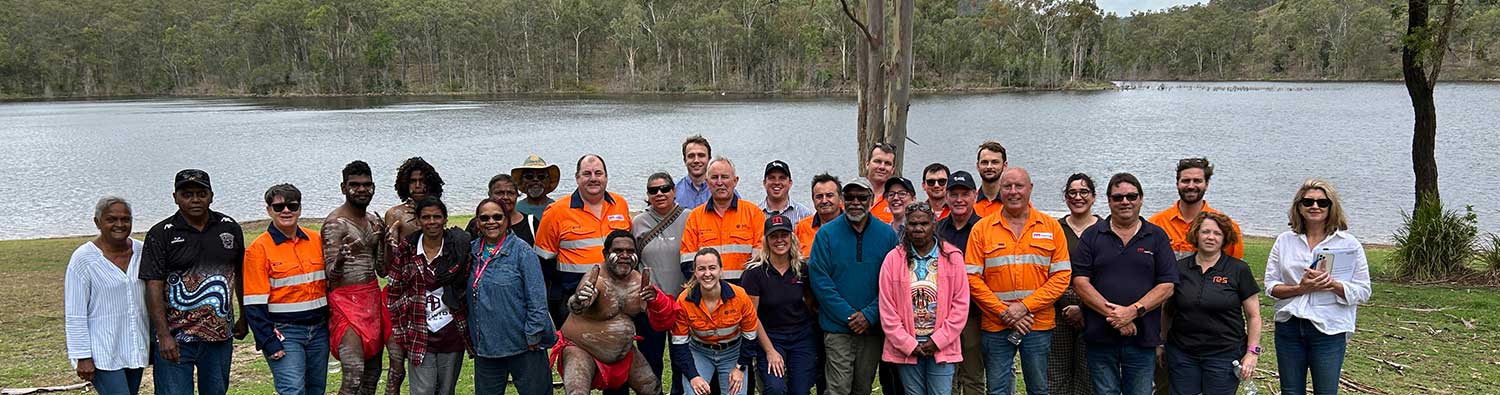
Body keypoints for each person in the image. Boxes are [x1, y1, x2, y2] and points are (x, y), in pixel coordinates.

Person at [965, 168, 1072, 395]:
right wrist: (1004, 312)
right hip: (996, 324)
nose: (1013, 192)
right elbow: (972, 278)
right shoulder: (982, 229)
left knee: (1039, 388)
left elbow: (1061, 277)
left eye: (1019, 186)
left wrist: (1023, 307)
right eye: (1007, 186)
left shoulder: (1051, 227)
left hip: (1037, 324)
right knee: (997, 389)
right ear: (999, 190)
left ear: (1030, 188)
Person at [140, 169, 245, 395]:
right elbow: (153, 286)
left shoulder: (229, 227)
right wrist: (163, 335)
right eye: (187, 194)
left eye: (201, 193)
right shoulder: (160, 234)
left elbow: (241, 274)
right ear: (175, 197)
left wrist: (244, 317)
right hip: (176, 339)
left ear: (211, 195)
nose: (195, 199)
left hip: (219, 336)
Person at [1072, 173, 1178, 395]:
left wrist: (1133, 311)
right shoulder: (1092, 236)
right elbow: (1080, 283)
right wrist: (1116, 317)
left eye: (1131, 196)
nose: (1125, 202)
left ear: (1141, 199)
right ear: (1109, 201)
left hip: (1142, 337)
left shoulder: (1156, 236)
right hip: (1100, 336)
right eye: (1118, 197)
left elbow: (1167, 285)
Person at [1265, 179, 1371, 395]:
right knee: (1291, 391)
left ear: (1332, 207)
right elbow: (1270, 286)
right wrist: (1300, 288)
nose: (1315, 207)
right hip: (1289, 326)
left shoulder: (1348, 244)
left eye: (1323, 203)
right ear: (1299, 206)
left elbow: (1363, 291)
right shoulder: (1284, 241)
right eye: (1308, 202)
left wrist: (1333, 285)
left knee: (1326, 392)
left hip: (1329, 330)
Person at [554, 230, 678, 395]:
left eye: (630, 251)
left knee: (651, 387)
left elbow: (662, 320)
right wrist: (579, 300)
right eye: (618, 251)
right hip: (582, 348)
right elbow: (579, 305)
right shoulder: (595, 279)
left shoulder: (640, 281)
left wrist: (656, 301)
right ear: (606, 253)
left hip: (624, 352)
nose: (625, 255)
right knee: (577, 392)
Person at [808, 177, 901, 395]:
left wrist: (869, 315)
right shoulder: (826, 234)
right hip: (837, 328)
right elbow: (820, 280)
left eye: (862, 197)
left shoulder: (887, 235)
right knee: (838, 388)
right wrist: (849, 316)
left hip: (872, 327)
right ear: (842, 199)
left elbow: (894, 283)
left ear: (871, 200)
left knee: (862, 388)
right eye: (850, 197)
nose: (856, 202)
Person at [456, 198, 556, 394]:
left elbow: (537, 298)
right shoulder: (471, 251)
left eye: (497, 217)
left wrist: (533, 335)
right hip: (486, 347)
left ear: (506, 220)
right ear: (477, 222)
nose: (491, 222)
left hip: (525, 345)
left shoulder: (522, 251)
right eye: (484, 218)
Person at [243, 184, 329, 395]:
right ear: (269, 210)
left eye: (292, 205)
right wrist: (268, 341)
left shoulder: (316, 240)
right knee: (292, 390)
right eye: (279, 207)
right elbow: (253, 303)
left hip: (319, 331)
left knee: (316, 389)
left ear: (300, 208)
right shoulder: (259, 249)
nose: (286, 211)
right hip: (285, 332)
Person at [1164, 212, 1261, 395]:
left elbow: (1253, 316)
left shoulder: (1238, 269)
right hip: (1183, 353)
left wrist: (1252, 353)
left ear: (1224, 238)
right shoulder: (1179, 268)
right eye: (1205, 232)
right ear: (1196, 234)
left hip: (1224, 354)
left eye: (1217, 233)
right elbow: (1167, 310)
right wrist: (1162, 343)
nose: (1210, 237)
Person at [879, 202, 970, 395]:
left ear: (933, 225)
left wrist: (938, 340)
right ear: (906, 226)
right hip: (908, 348)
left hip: (941, 347)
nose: (918, 228)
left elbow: (960, 306)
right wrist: (908, 344)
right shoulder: (892, 260)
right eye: (912, 224)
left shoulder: (953, 257)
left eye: (924, 223)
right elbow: (887, 308)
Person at [535, 154, 633, 325]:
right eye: (587, 174)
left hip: (616, 292)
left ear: (606, 177)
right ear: (577, 178)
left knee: (617, 346)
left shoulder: (620, 204)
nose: (593, 178)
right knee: (575, 349)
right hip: (573, 295)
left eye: (598, 173)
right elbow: (543, 260)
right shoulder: (556, 211)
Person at [385, 197, 470, 395]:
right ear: (418, 220)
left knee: (446, 389)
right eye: (426, 217)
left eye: (437, 217)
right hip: (419, 333)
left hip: (452, 332)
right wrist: (402, 331)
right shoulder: (407, 249)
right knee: (422, 391)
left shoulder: (457, 247)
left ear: (445, 219)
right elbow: (394, 292)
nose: (432, 222)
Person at [65, 196, 148, 395]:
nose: (119, 224)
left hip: (135, 346)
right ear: (98, 222)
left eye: (125, 219)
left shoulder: (142, 251)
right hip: (102, 351)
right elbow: (74, 313)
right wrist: (82, 356)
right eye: (111, 219)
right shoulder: (83, 259)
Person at [322, 160, 389, 395]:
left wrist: (385, 242)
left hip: (371, 300)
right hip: (345, 304)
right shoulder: (334, 224)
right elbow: (331, 275)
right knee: (353, 376)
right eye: (355, 185)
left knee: (372, 376)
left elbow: (382, 270)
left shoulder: (373, 221)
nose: (362, 190)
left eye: (367, 185)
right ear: (343, 187)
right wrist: (341, 259)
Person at [672, 249, 768, 395]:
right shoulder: (684, 300)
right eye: (701, 269)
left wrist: (740, 368)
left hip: (732, 352)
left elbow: (750, 337)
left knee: (736, 392)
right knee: (692, 392)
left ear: (721, 270)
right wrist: (693, 376)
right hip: (699, 352)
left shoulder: (740, 297)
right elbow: (679, 344)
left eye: (712, 268)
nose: (707, 274)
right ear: (695, 273)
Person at [742, 215, 818, 395]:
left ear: (791, 238)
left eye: (784, 235)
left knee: (800, 390)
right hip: (771, 337)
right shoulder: (754, 273)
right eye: (774, 236)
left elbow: (810, 301)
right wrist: (770, 351)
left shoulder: (802, 269)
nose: (779, 240)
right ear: (766, 241)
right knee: (775, 388)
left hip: (801, 337)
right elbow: (752, 317)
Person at [633, 172, 692, 395]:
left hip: (681, 304)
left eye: (665, 188)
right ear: (647, 195)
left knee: (681, 360)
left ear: (674, 191)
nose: (659, 194)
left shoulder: (689, 217)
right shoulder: (638, 222)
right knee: (650, 362)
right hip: (650, 306)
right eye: (653, 190)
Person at [1051, 173, 1101, 395]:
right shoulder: (1054, 229)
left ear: (1093, 197)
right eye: (1072, 193)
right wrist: (1064, 304)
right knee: (1056, 372)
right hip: (1058, 308)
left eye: (1084, 192)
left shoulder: (1105, 229)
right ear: (1065, 197)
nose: (1078, 197)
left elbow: (1109, 272)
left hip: (1095, 309)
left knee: (1089, 372)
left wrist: (1084, 308)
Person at [681, 156, 766, 283]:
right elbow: (687, 262)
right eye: (714, 177)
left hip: (745, 292)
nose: (720, 182)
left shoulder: (754, 214)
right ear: (707, 182)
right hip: (708, 292)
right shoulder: (695, 217)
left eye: (725, 177)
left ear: (735, 181)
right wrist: (709, 286)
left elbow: (761, 259)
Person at [938, 171, 985, 395]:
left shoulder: (985, 229)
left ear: (974, 195)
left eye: (964, 194)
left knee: (973, 375)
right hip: (942, 314)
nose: (959, 199)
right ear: (946, 197)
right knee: (946, 373)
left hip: (974, 314)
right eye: (953, 194)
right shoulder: (937, 230)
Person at [1148, 158, 1245, 260]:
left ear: (1206, 184)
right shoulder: (1155, 224)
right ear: (1177, 184)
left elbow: (1234, 270)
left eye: (1197, 181)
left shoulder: (1227, 227)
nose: (1191, 186)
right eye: (1186, 181)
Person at [384, 157, 445, 269]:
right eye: (413, 181)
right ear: (405, 184)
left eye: (422, 181)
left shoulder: (437, 211)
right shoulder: (395, 214)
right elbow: (389, 263)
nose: (417, 186)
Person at [795, 173, 843, 258]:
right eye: (819, 197)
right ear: (813, 200)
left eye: (829, 195)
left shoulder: (852, 226)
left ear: (840, 199)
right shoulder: (802, 227)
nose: (824, 201)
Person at [512, 154, 561, 219]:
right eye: (529, 176)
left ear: (548, 182)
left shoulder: (557, 209)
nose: (535, 180)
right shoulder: (514, 210)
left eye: (541, 177)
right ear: (522, 182)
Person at [677, 135, 715, 209]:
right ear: (685, 160)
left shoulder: (724, 190)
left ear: (709, 159)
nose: (696, 160)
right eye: (691, 156)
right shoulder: (673, 192)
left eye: (701, 155)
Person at [973, 141, 1009, 218]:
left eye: (995, 162)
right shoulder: (968, 202)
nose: (989, 167)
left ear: (1004, 166)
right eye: (984, 162)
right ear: (977, 166)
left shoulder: (1014, 202)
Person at [866, 143, 899, 224]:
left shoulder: (898, 201)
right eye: (877, 161)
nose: (882, 167)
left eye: (887, 163)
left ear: (892, 170)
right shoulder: (850, 195)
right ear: (867, 164)